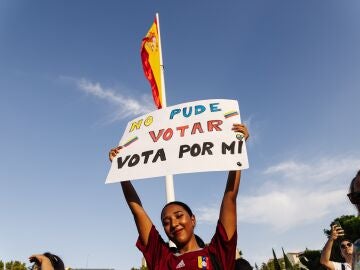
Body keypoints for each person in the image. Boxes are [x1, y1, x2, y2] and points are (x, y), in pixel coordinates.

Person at [109, 123, 249, 270]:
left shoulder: (218, 253)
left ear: (193, 219)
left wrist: (238, 147)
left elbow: (230, 197)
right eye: (166, 222)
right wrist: (121, 171)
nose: (174, 224)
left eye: (178, 215)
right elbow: (137, 211)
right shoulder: (161, 260)